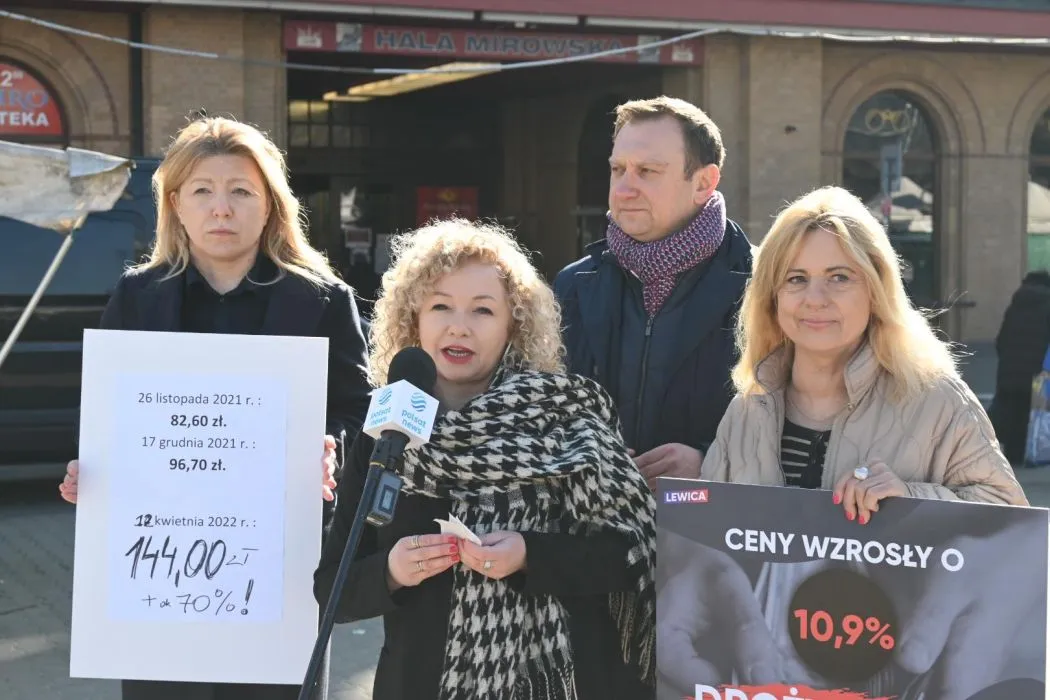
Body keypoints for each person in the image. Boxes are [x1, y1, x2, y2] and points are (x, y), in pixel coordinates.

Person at [58, 116, 371, 700]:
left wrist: (333, 447)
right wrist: (91, 470)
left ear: (270, 204)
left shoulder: (323, 300)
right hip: (159, 571)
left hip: (278, 567)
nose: (221, 209)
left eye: (241, 191)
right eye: (202, 190)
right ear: (176, 204)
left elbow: (360, 414)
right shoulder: (137, 297)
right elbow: (110, 416)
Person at [680, 185, 1029, 699]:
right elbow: (717, 541)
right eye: (796, 279)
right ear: (773, 299)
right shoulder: (747, 410)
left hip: (896, 675)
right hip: (768, 679)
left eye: (839, 277)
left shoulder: (937, 400)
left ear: (876, 289)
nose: (815, 299)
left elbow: (1012, 521)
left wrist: (912, 499)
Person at [314, 219, 657, 700]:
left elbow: (632, 553)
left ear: (514, 325)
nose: (459, 326)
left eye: (483, 310)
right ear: (413, 319)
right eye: (440, 306)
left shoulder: (564, 418)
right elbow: (333, 586)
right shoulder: (387, 430)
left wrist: (530, 555)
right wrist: (390, 571)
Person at [554, 95, 753, 490]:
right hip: (593, 520)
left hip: (708, 521)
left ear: (703, 182)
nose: (624, 189)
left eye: (647, 171)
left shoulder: (764, 286)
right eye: (618, 170)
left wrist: (711, 461)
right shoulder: (573, 285)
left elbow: (800, 418)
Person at [988, 270, 1050, 464]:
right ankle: (1030, 452)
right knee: (1031, 411)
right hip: (1037, 373)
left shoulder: (1014, 306)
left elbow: (1000, 340)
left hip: (1008, 370)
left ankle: (1012, 456)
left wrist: (1008, 360)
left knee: (1010, 410)